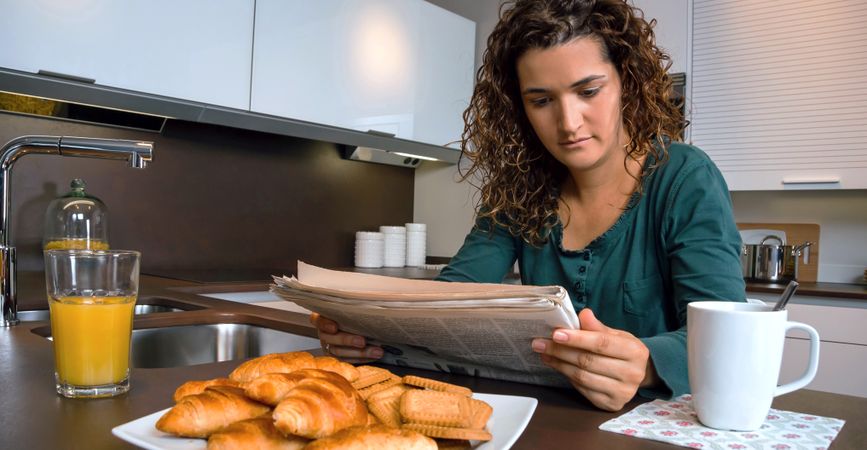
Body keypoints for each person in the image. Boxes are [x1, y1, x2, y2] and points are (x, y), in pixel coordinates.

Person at [312, 0, 746, 412]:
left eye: (588, 91)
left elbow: (726, 341)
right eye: (541, 100)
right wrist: (364, 328)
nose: (568, 123)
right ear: (519, 107)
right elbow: (449, 298)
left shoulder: (685, 179)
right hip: (547, 421)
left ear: (626, 82)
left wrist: (648, 363)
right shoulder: (519, 190)